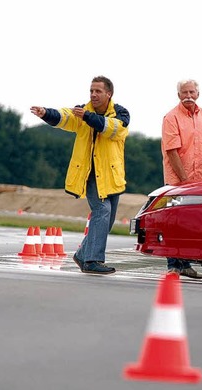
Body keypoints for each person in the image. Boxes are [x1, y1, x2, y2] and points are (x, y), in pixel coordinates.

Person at [30, 75, 129, 275]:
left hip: (111, 176)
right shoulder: (82, 111)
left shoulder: (121, 113)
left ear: (109, 94)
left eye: (98, 91)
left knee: (107, 221)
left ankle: (83, 254)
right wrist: (46, 113)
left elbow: (113, 128)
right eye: (91, 91)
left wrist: (87, 117)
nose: (93, 94)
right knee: (102, 212)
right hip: (90, 174)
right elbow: (65, 117)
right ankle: (92, 260)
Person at [161, 79, 202, 279]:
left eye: (192, 92)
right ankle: (173, 265)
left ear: (198, 94)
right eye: (184, 93)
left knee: (193, 222)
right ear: (178, 95)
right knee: (174, 221)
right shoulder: (171, 117)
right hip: (179, 180)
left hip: (201, 177)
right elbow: (172, 151)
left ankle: (186, 264)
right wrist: (184, 180)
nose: (188, 96)